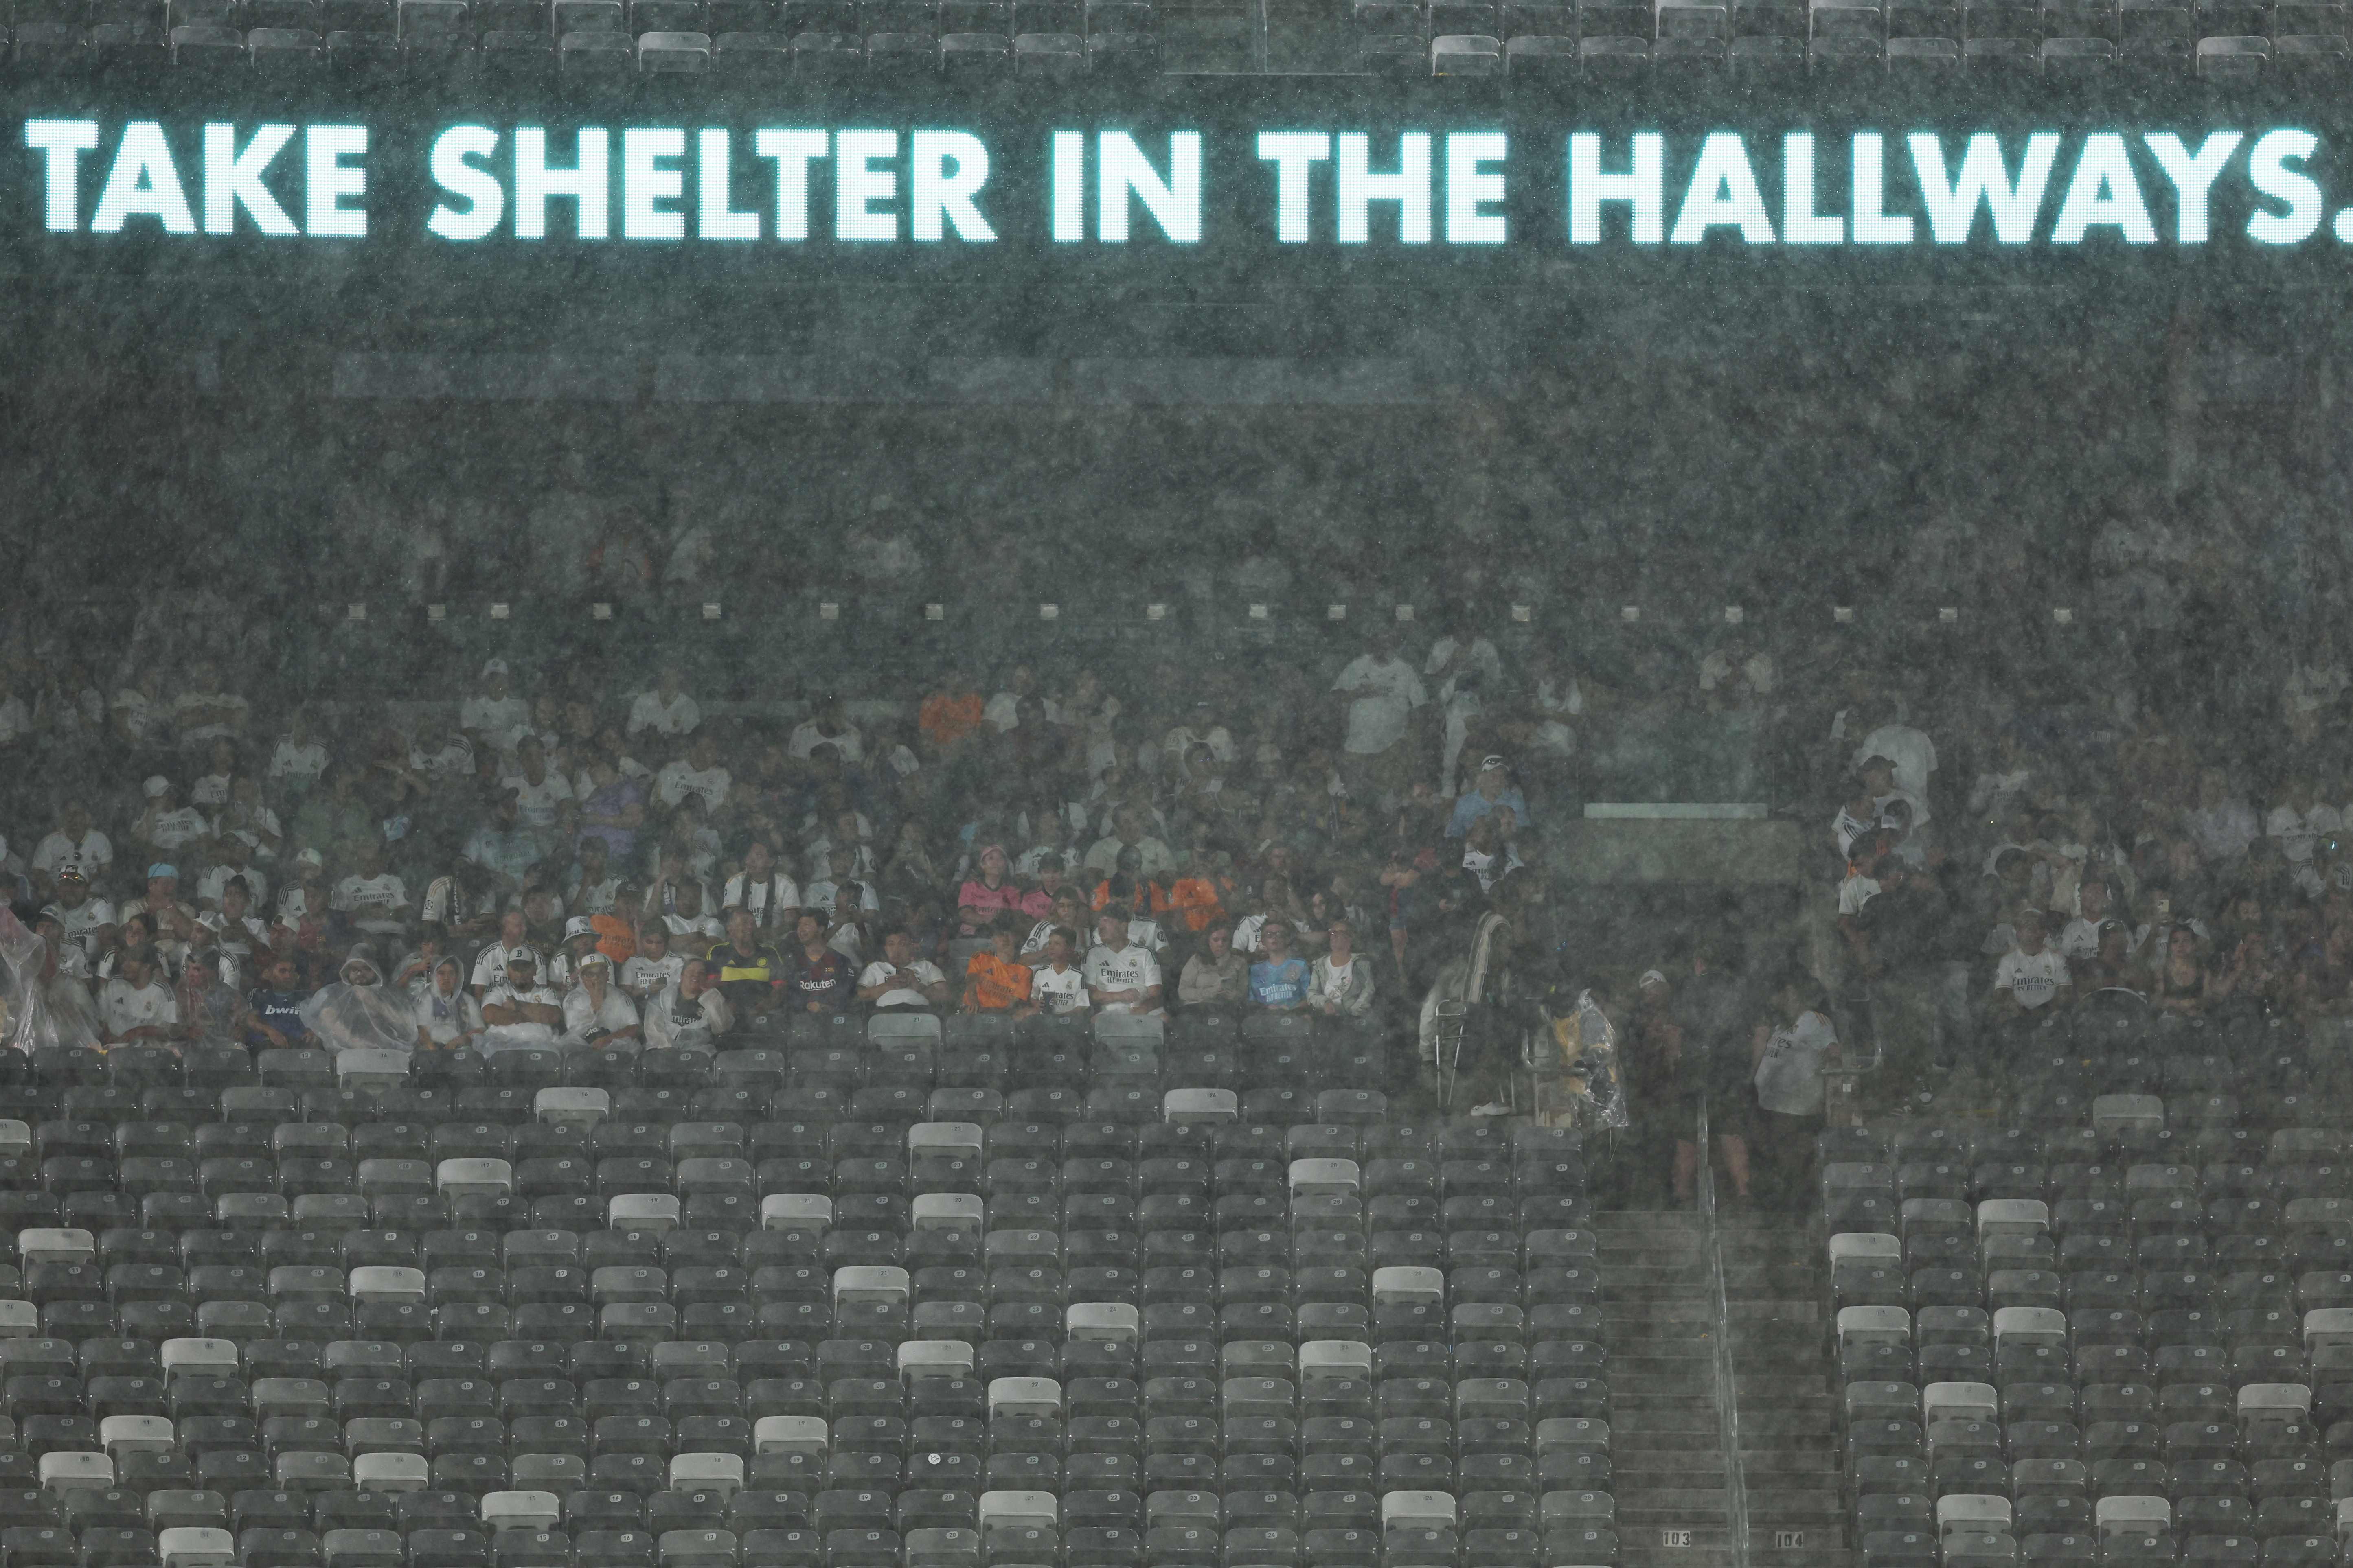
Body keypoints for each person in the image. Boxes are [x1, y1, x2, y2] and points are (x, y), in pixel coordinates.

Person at [1750, 973, 1838, 1210]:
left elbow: (1834, 1054)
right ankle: (1783, 1207)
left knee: (1794, 1163)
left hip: (1797, 1109)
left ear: (1794, 994)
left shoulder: (1816, 1021)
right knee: (1777, 1160)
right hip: (1772, 1105)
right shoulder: (1783, 1024)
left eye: (1781, 995)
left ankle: (1797, 1210)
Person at [708, 907, 786, 1024]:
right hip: (727, 1016)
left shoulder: (770, 953)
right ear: (730, 928)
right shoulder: (718, 952)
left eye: (753, 923)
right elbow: (710, 989)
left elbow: (780, 989)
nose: (750, 927)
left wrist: (764, 1006)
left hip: (765, 1015)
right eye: (744, 923)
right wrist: (726, 1007)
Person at [478, 953, 566, 1054]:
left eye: (525, 969)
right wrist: (534, 1016)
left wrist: (517, 1005)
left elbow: (554, 1016)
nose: (520, 974)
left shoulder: (546, 991)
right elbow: (490, 1015)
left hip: (541, 1049)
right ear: (508, 970)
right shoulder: (497, 989)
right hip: (502, 1048)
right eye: (516, 969)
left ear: (535, 969)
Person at [1084, 911, 1163, 1015]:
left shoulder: (1146, 953)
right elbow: (1090, 995)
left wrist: (1141, 1010)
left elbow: (1156, 996)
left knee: (1163, 1019)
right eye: (1099, 922)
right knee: (1097, 1022)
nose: (1101, 927)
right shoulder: (1093, 953)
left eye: (1106, 921)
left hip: (1142, 1010)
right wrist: (1120, 996)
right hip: (1109, 1012)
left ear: (1123, 926)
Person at [646, 957, 735, 1050]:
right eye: (691, 972)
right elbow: (654, 1031)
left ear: (705, 979)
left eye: (701, 973)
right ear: (682, 976)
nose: (696, 975)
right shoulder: (663, 997)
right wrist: (669, 1049)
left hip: (700, 1056)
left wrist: (711, 1000)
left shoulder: (712, 998)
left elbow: (722, 1028)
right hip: (664, 1055)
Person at [561, 952, 642, 1050]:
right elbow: (576, 1034)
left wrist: (608, 1039)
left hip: (615, 1049)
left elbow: (635, 1028)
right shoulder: (573, 999)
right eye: (590, 974)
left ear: (608, 975)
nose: (596, 978)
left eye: (600, 973)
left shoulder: (621, 996)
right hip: (584, 1052)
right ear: (582, 978)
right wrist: (595, 1005)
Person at [859, 927, 952, 1011]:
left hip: (920, 1014)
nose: (896, 949)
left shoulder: (927, 966)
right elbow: (860, 996)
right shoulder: (875, 967)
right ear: (886, 949)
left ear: (911, 947)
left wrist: (917, 985)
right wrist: (888, 986)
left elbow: (945, 997)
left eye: (902, 944)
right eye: (891, 945)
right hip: (885, 1014)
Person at [782, 911, 856, 1015]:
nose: (801, 930)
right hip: (800, 1024)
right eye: (799, 926)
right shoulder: (792, 962)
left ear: (821, 929)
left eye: (807, 925)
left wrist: (825, 1008)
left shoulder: (841, 961)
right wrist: (807, 1006)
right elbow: (788, 996)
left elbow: (847, 996)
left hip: (836, 1022)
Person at [99, 948, 178, 1046]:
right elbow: (102, 1018)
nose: (124, 966)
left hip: (148, 1052)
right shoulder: (114, 984)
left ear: (146, 967)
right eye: (124, 961)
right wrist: (107, 1034)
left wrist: (141, 1031)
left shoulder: (162, 991)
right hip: (114, 1049)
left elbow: (170, 1030)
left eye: (132, 962)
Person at [961, 915, 1036, 1016]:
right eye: (1000, 935)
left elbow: (1012, 1005)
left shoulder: (1025, 971)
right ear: (993, 939)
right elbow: (971, 984)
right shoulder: (980, 958)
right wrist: (974, 1003)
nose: (1005, 939)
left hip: (1002, 1017)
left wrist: (988, 1013)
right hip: (974, 1012)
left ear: (1017, 938)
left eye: (1009, 934)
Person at [412, 955, 485, 1056]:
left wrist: (460, 1040)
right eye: (441, 973)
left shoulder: (468, 1000)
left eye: (451, 973)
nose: (446, 978)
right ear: (434, 976)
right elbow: (421, 1031)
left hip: (461, 1053)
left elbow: (480, 1030)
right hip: (431, 1052)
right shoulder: (425, 998)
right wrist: (435, 1053)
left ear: (458, 977)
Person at [244, 950, 314, 1050]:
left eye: (291, 971)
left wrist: (314, 1031)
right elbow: (249, 1020)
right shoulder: (259, 995)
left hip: (301, 1051)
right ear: (270, 975)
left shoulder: (307, 996)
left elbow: (321, 1021)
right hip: (264, 1050)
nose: (288, 976)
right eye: (283, 971)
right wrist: (269, 1031)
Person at [1309, 918, 1375, 1017]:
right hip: (1327, 1019)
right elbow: (1312, 993)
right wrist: (1325, 1003)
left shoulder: (1362, 963)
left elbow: (1368, 990)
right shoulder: (1319, 965)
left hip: (1354, 1019)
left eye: (1341, 933)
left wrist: (1354, 1013)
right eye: (1333, 932)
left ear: (1351, 938)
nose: (1335, 935)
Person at [1248, 920, 1313, 1011]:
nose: (1274, 937)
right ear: (1263, 940)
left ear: (1287, 939)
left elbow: (1310, 998)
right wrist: (1266, 1008)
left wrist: (1292, 1009)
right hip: (1265, 1019)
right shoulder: (1255, 970)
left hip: (1295, 1017)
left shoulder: (1300, 966)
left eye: (1279, 934)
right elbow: (1252, 1002)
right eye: (1269, 934)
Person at [1177, 924, 1247, 1008]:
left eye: (1225, 940)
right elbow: (1183, 992)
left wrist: (1233, 996)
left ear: (1231, 942)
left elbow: (1244, 994)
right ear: (1208, 941)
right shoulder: (1197, 960)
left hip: (1225, 1010)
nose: (1221, 944)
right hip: (1196, 1008)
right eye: (1216, 940)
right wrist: (1209, 993)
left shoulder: (1240, 962)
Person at [1028, 927, 1089, 1016]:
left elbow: (1081, 1007)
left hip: (1067, 1023)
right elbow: (1034, 997)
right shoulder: (1041, 973)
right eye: (1050, 944)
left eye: (1057, 944)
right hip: (1045, 1021)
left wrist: (1062, 1018)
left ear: (1070, 948)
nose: (1051, 948)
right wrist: (1037, 1004)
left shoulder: (1078, 976)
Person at [621, 922, 683, 1004]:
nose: (654, 948)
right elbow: (624, 996)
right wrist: (647, 990)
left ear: (666, 943)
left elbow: (683, 994)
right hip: (639, 1008)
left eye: (659, 943)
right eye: (649, 942)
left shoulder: (678, 962)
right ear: (642, 941)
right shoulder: (632, 963)